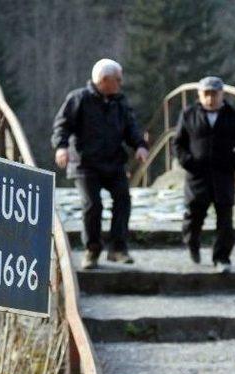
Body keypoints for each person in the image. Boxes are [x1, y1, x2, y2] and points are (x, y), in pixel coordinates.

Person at [52, 58, 149, 269]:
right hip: (85, 164)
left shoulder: (119, 102)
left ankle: (118, 249)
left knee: (123, 199)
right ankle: (92, 250)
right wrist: (61, 147)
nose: (121, 84)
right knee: (92, 205)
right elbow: (62, 126)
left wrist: (140, 145)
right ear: (104, 80)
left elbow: (131, 128)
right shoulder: (78, 99)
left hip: (113, 162)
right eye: (118, 79)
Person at [172, 76, 235, 273]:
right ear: (200, 95)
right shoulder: (189, 114)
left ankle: (222, 258)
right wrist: (188, 162)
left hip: (223, 175)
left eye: (214, 94)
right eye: (206, 94)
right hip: (197, 175)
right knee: (194, 215)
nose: (210, 98)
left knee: (225, 218)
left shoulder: (233, 115)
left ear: (221, 95)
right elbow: (178, 143)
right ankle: (192, 244)